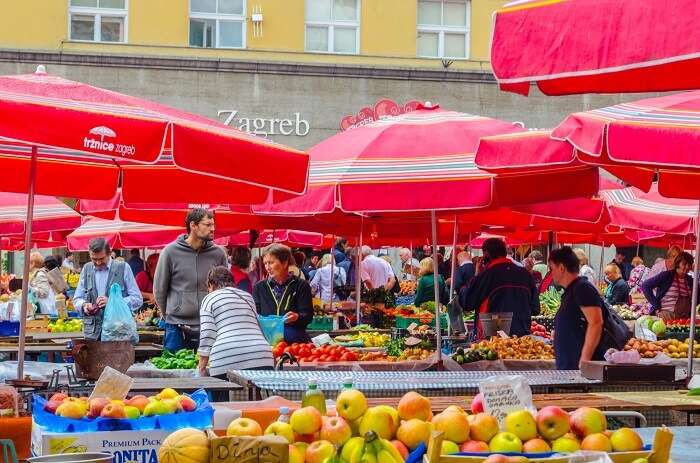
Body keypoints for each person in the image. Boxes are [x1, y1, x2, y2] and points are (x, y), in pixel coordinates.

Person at [154, 208, 228, 352]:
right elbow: (159, 290)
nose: (213, 229)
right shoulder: (169, 252)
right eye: (207, 225)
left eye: (213, 224)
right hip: (175, 326)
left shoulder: (219, 254)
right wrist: (170, 314)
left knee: (209, 372)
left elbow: (224, 290)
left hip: (209, 325)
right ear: (193, 225)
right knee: (174, 372)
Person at [197, 266, 274, 377]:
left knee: (225, 394)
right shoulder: (247, 297)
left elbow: (208, 333)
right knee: (258, 394)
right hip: (261, 355)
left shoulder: (210, 298)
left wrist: (202, 367)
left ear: (210, 284)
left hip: (227, 357)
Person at [463, 238, 539, 337]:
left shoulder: (486, 276)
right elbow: (535, 309)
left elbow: (467, 302)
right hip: (521, 334)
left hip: (494, 335)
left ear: (486, 254)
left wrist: (476, 275)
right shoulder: (525, 274)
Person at [73, 238, 143, 340]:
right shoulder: (86, 269)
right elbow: (77, 299)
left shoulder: (123, 268)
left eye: (101, 259)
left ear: (110, 253)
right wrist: (84, 305)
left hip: (118, 334)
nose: (97, 262)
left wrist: (112, 302)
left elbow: (137, 299)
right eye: (94, 259)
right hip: (92, 335)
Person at [548, 246, 605, 370]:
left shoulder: (582, 288)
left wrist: (584, 360)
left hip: (578, 369)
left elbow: (596, 322)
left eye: (552, 268)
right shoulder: (572, 289)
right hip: (569, 365)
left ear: (562, 268)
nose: (551, 273)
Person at [253, 244, 313, 343]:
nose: (267, 267)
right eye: (265, 263)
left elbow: (308, 316)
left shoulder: (301, 285)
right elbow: (256, 314)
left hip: (295, 343)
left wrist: (297, 317)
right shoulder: (259, 287)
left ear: (285, 263)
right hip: (267, 342)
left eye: (271, 263)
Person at [642, 252, 696, 320]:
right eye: (684, 264)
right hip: (666, 316)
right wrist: (657, 305)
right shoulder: (666, 276)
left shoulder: (690, 280)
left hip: (684, 319)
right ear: (678, 263)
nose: (687, 267)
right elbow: (645, 286)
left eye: (690, 264)